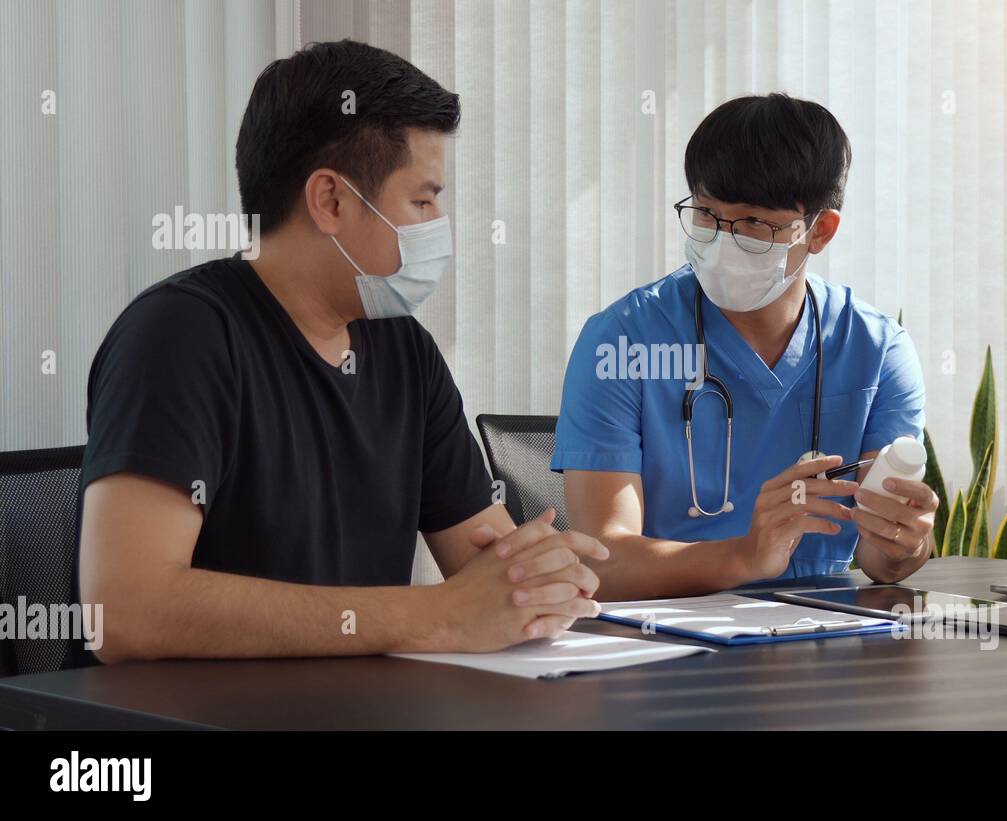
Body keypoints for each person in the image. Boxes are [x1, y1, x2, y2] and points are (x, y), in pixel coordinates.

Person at [77, 40, 605, 664]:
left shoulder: (404, 347)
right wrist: (434, 614)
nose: (439, 225)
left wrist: (541, 579)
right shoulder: (180, 334)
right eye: (424, 200)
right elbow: (126, 611)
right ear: (331, 200)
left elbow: (490, 568)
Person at [552, 93, 937, 600]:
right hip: (666, 635)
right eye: (707, 214)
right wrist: (744, 556)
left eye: (755, 223)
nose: (722, 241)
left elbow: (880, 565)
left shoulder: (877, 350)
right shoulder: (623, 341)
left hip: (820, 635)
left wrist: (904, 543)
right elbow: (602, 559)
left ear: (821, 230)